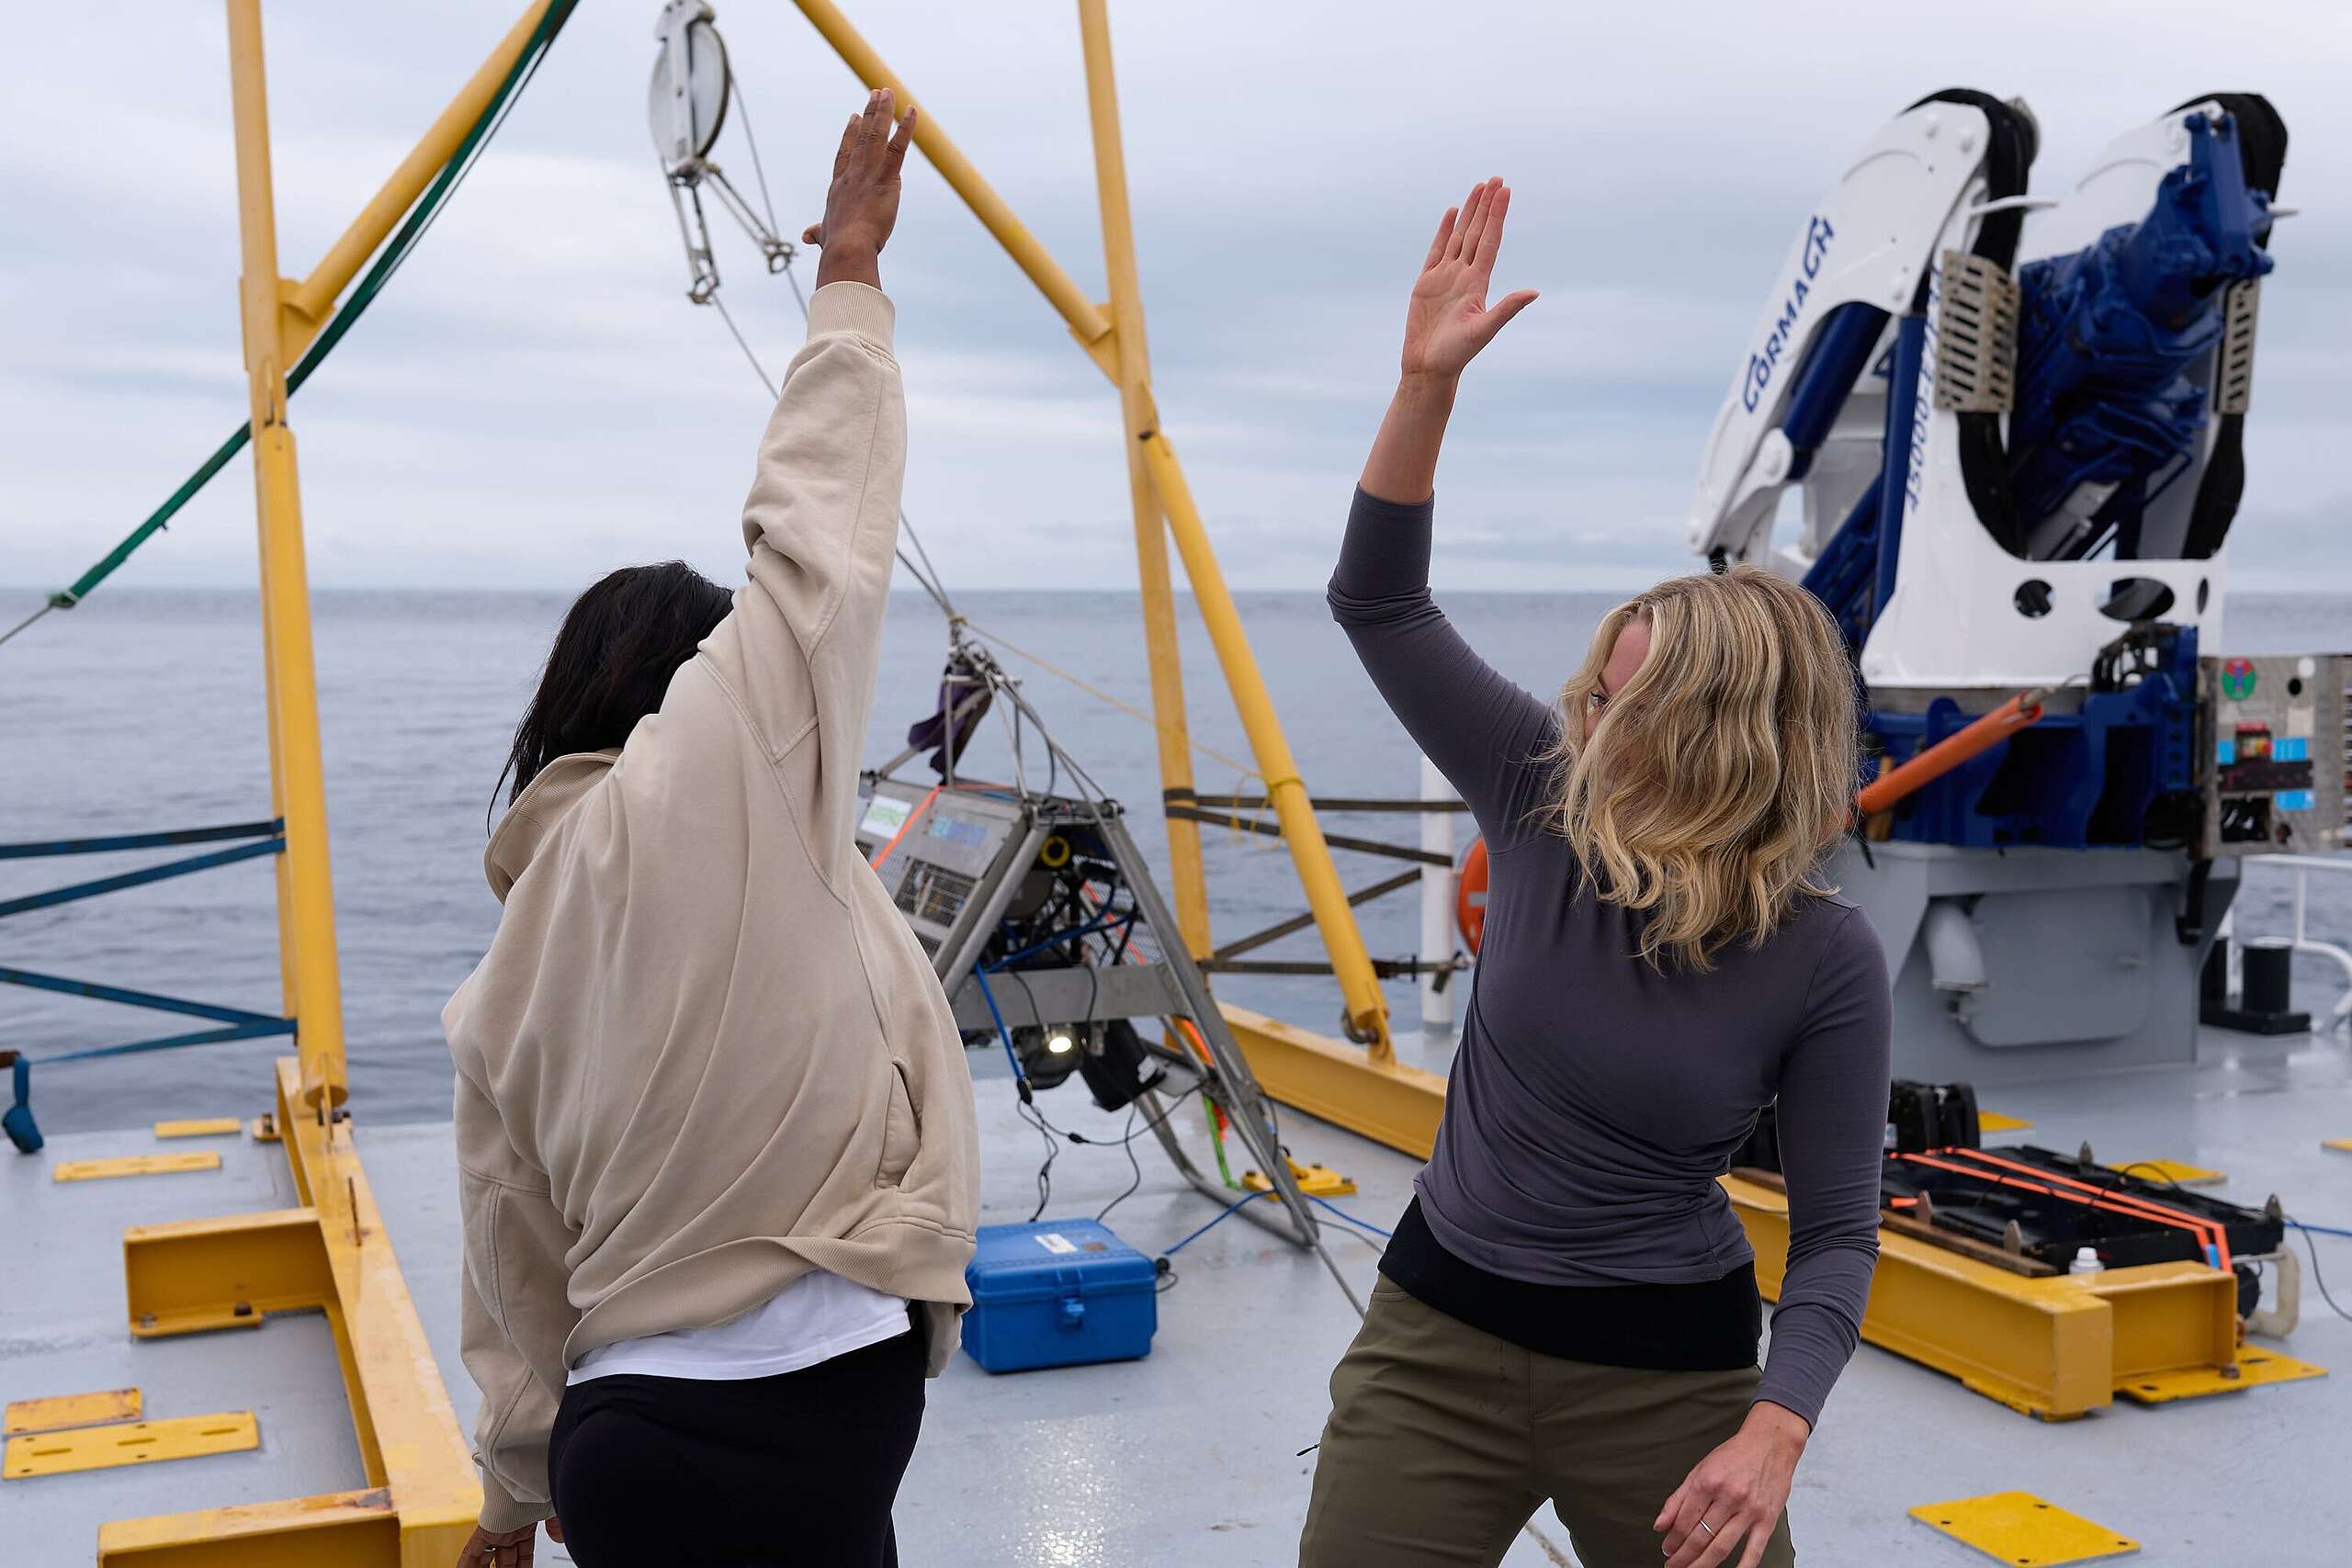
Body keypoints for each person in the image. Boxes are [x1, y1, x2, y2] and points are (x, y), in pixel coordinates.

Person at [1298, 179, 1893, 1568]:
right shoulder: (1539, 797)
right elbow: (1377, 599)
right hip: (1436, 1342)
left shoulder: (1824, 957)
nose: (1589, 731)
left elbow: (1840, 1238)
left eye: (1631, 715)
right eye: (1593, 695)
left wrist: (1774, 1429)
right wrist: (1422, 387)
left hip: (1671, 1383)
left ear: (1736, 750)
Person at [444, 90, 977, 1568]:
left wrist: (506, 1502)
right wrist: (852, 274)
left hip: (626, 1448)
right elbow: (813, 553)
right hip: (832, 1402)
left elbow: (512, 1272)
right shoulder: (727, 765)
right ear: (684, 692)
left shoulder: (496, 993)